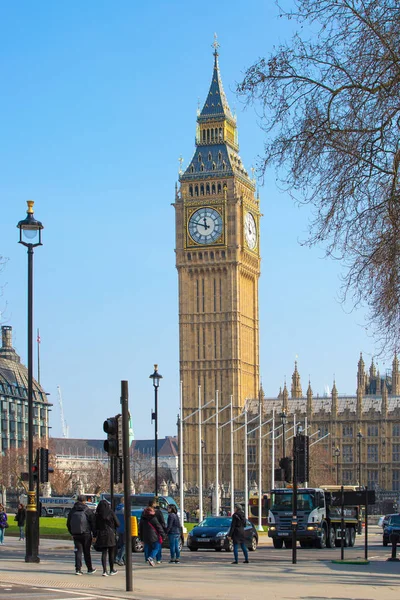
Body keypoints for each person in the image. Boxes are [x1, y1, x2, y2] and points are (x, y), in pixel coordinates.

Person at [67, 494, 97, 575]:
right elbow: (93, 523)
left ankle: (78, 569)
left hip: (76, 534)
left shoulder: (73, 510)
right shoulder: (87, 510)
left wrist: (71, 532)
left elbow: (68, 523)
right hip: (86, 534)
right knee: (87, 552)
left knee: (78, 551)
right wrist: (94, 535)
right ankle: (89, 568)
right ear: (84, 501)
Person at [94, 499, 120, 577]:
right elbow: (118, 523)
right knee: (111, 553)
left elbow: (96, 526)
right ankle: (112, 569)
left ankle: (104, 570)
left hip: (102, 534)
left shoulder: (97, 514)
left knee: (104, 552)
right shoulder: (110, 512)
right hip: (110, 534)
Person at [145, 498, 166, 563]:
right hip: (156, 531)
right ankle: (157, 559)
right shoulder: (157, 512)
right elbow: (161, 523)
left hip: (147, 531)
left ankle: (147, 558)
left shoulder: (145, 512)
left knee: (148, 546)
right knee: (157, 546)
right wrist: (163, 532)